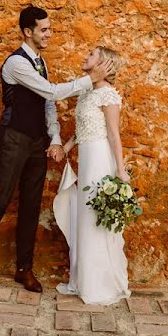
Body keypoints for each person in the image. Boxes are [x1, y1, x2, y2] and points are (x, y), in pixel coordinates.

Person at [0, 6, 114, 293]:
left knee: (31, 204)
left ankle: (23, 269)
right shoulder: (16, 64)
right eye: (44, 30)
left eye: (50, 29)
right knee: (0, 200)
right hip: (14, 138)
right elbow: (53, 92)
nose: (49, 34)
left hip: (37, 143)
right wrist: (89, 80)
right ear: (27, 32)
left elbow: (47, 104)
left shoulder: (41, 62)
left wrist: (54, 137)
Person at [53, 46, 131, 305]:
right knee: (84, 216)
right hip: (85, 157)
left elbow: (113, 133)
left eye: (91, 55)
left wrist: (120, 171)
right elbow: (82, 128)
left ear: (104, 64)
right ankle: (82, 279)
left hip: (99, 159)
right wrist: (66, 147)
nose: (85, 57)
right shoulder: (87, 93)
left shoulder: (108, 94)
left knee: (96, 217)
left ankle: (101, 283)